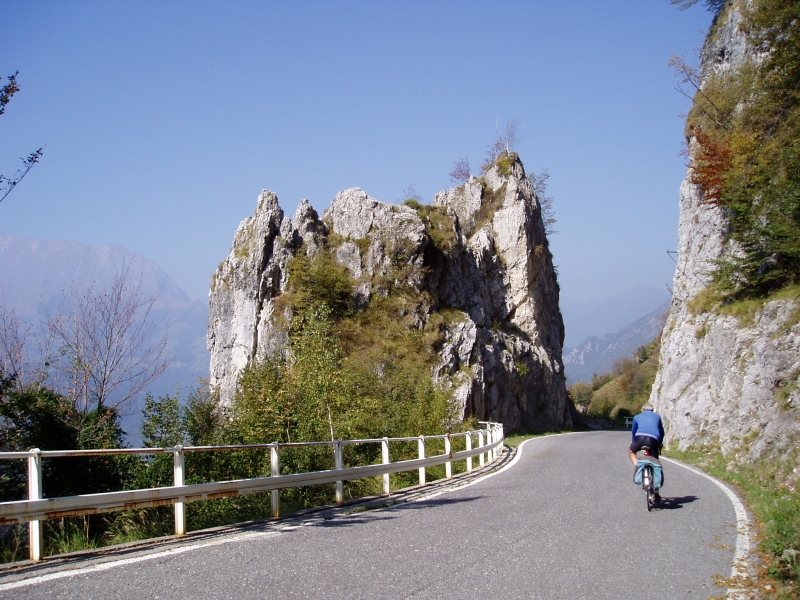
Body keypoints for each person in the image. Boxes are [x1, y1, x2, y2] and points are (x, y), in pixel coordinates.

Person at [629, 403, 665, 500]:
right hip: (653, 440)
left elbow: (634, 432)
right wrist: (660, 443)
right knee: (655, 460)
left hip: (639, 438)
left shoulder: (637, 417)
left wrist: (633, 442)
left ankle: (637, 466)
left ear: (642, 410)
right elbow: (661, 432)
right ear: (652, 410)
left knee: (631, 451)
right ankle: (656, 492)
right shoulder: (657, 417)